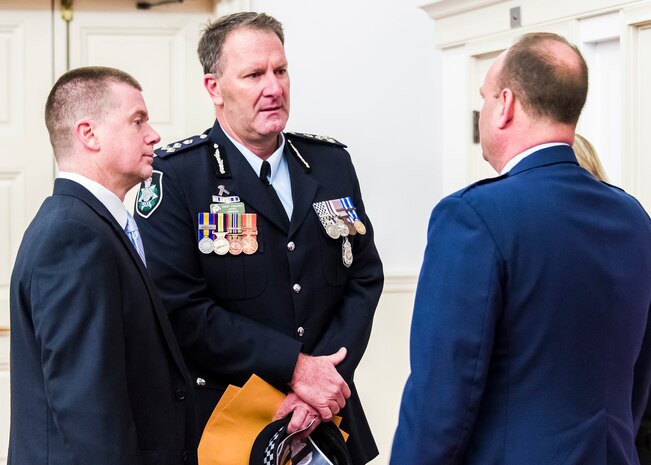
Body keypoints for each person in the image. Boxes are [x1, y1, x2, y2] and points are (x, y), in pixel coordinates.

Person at [134, 12, 384, 464]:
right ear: (214, 88)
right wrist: (295, 368)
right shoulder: (176, 178)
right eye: (254, 75)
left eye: (281, 70)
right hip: (226, 425)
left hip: (329, 419)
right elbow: (181, 310)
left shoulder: (330, 164)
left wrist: (325, 380)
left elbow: (364, 276)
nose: (274, 88)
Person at [390, 32, 651, 464]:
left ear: (505, 105)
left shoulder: (473, 216)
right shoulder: (633, 219)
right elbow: (638, 380)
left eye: (485, 97)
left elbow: (442, 397)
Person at [9, 66, 197, 465]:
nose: (154, 135)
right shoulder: (73, 237)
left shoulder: (91, 225)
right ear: (88, 134)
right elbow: (87, 405)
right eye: (137, 121)